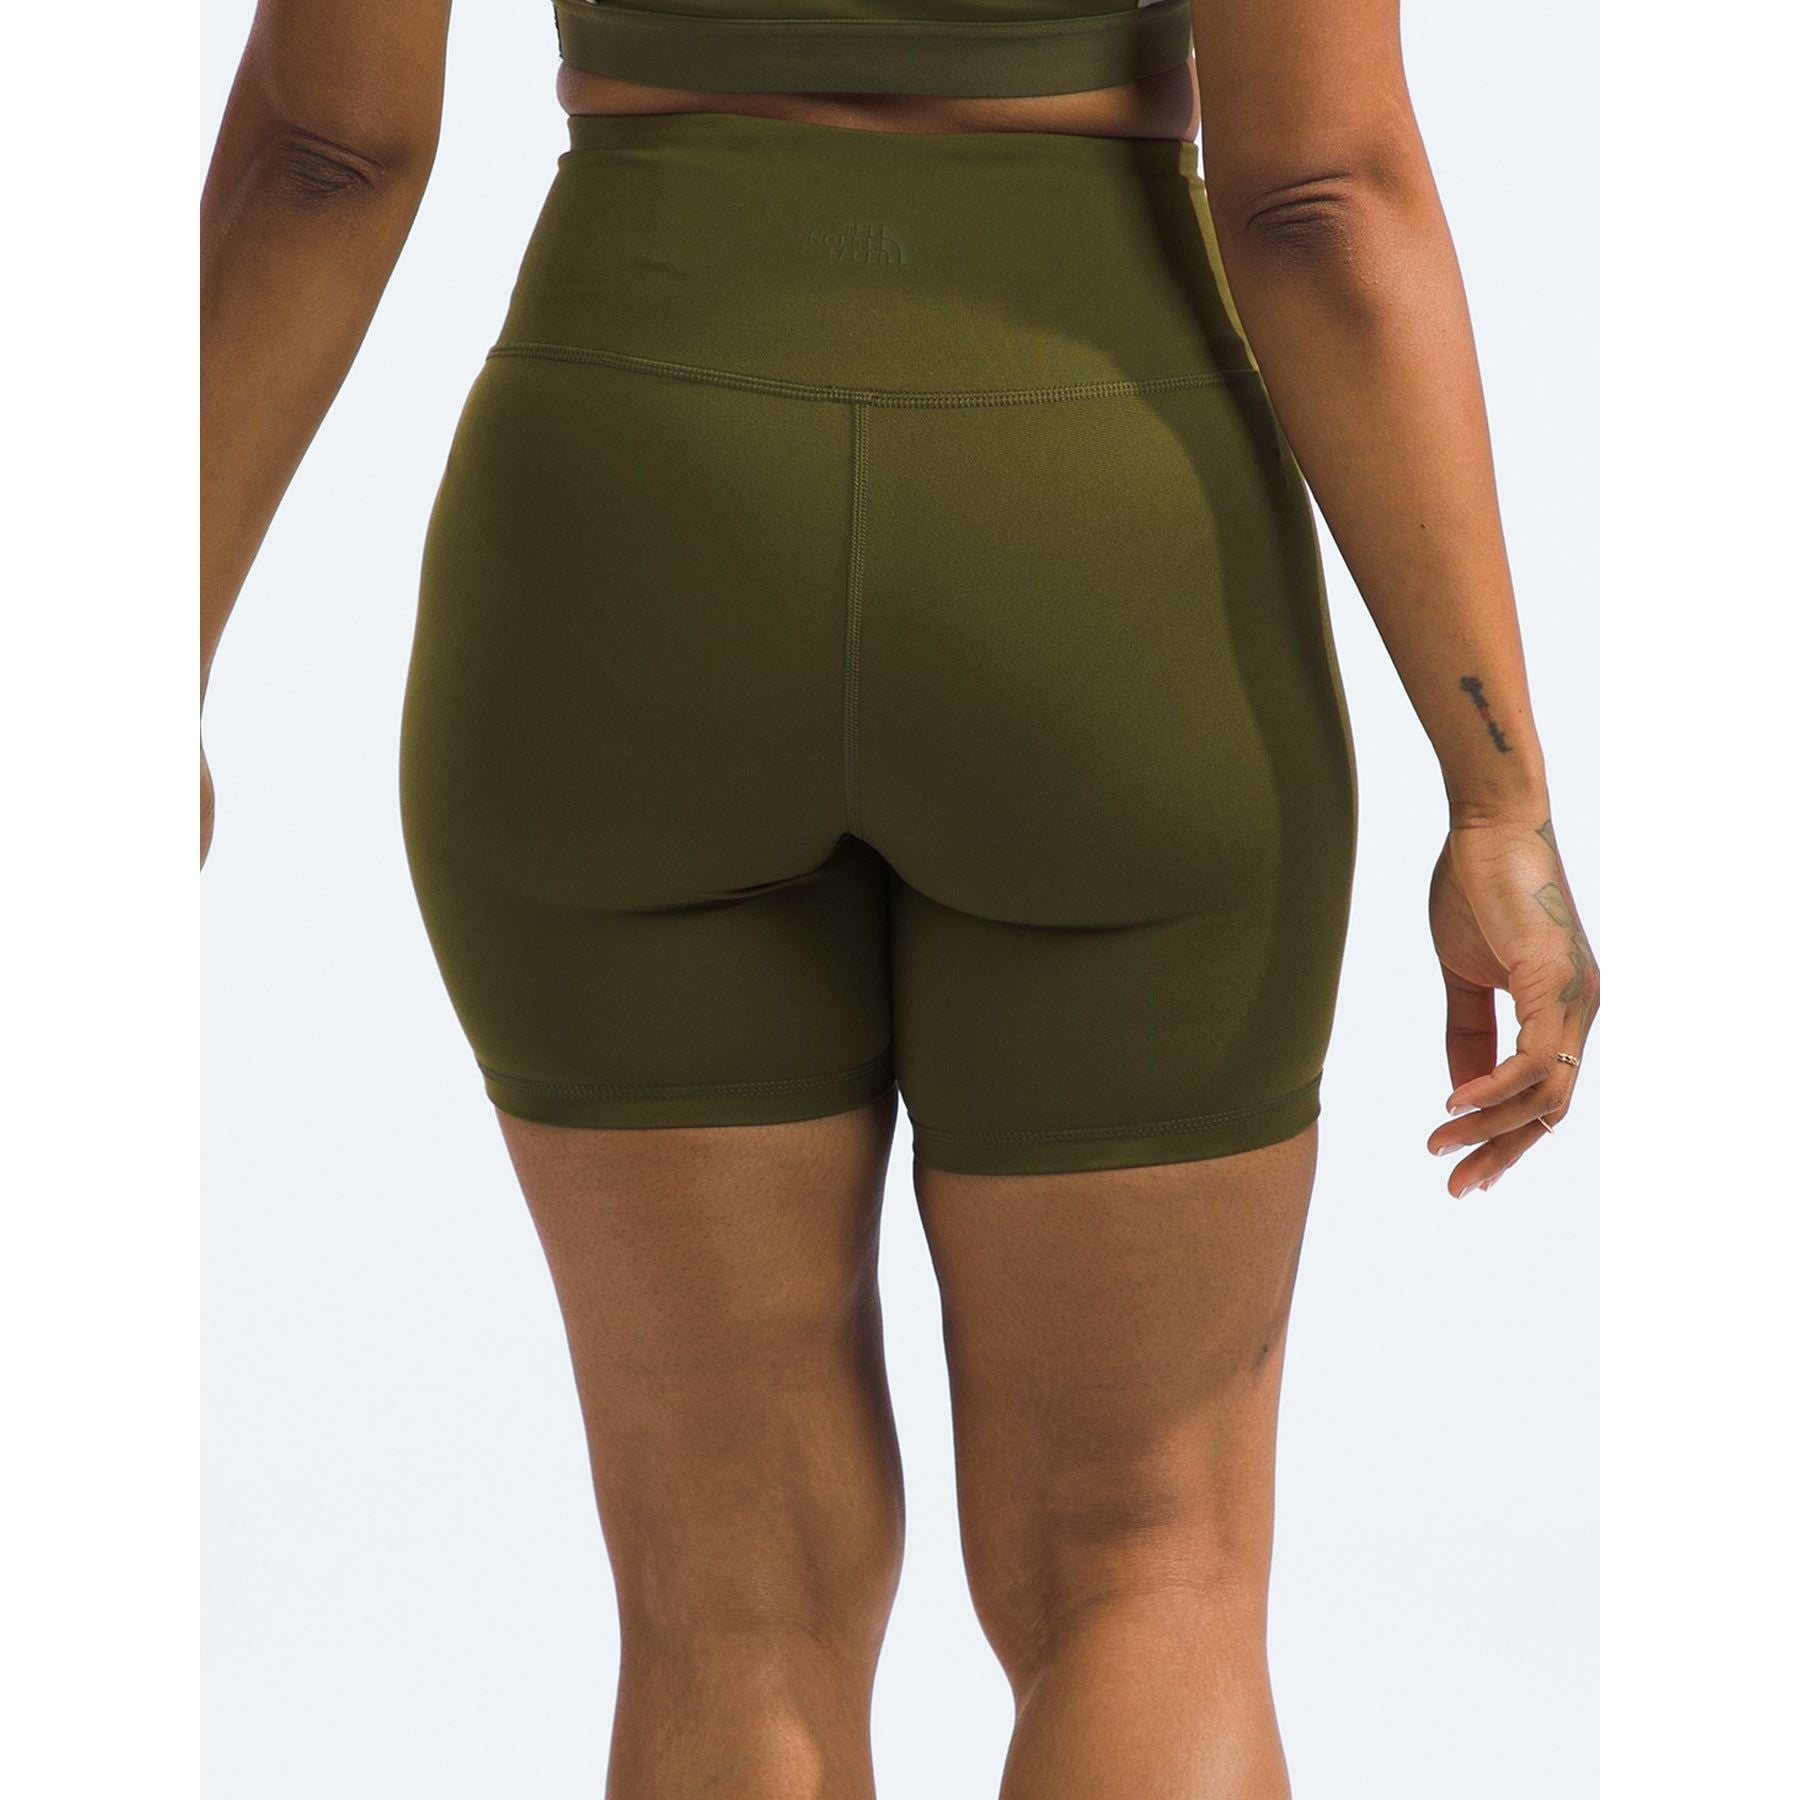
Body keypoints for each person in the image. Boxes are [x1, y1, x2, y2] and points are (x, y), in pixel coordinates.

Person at [200, 0, 1599, 1792]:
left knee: (726, 1609)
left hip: (627, 527)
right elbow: (1318, 190)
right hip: (1110, 548)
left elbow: (325, 149)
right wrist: (1498, 797)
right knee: (1147, 1565)